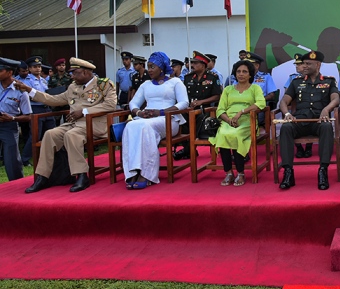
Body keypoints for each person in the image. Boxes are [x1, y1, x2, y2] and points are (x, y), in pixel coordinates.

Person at [20, 58, 117, 193]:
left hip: (94, 124)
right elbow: (54, 100)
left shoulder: (103, 84)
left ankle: (81, 175)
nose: (72, 76)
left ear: (85, 72)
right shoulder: (73, 87)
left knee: (71, 135)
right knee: (50, 134)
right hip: (74, 124)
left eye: (75, 73)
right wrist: (30, 90)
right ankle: (43, 177)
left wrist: (84, 111)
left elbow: (110, 105)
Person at [122, 52, 189, 189]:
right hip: (146, 118)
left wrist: (161, 112)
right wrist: (139, 112)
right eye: (148, 67)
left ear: (162, 67)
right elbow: (133, 103)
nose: (150, 70)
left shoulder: (175, 82)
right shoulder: (145, 84)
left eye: (152, 67)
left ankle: (147, 174)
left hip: (168, 119)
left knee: (145, 127)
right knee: (130, 126)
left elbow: (184, 103)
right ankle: (134, 171)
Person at [278, 51, 340, 191]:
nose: (304, 66)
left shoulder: (329, 81)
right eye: (303, 63)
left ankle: (323, 171)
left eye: (308, 63)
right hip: (300, 121)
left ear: (318, 65)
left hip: (318, 121)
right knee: (286, 127)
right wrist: (287, 113)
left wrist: (326, 109)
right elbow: (284, 101)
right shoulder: (296, 82)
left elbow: (336, 99)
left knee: (327, 127)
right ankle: (288, 172)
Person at [209, 60, 266, 187]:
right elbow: (220, 109)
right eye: (238, 71)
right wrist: (228, 120)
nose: (241, 74)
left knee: (236, 135)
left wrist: (241, 112)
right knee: (223, 134)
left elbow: (261, 104)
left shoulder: (255, 88)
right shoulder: (228, 89)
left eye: (244, 72)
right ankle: (228, 172)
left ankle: (240, 172)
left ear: (250, 74)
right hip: (228, 121)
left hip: (247, 121)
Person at [174, 51, 222, 160]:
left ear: (203, 65)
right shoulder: (188, 77)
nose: (193, 65)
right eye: (192, 63)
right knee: (179, 118)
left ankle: (188, 149)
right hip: (189, 108)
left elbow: (217, 96)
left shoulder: (212, 77)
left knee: (199, 118)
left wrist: (202, 102)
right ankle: (188, 148)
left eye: (196, 63)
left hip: (206, 109)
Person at [20, 55, 55, 166]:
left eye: (39, 66)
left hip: (47, 108)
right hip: (35, 108)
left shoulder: (44, 80)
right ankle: (25, 159)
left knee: (52, 132)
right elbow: (27, 95)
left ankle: (51, 156)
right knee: (35, 135)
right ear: (29, 69)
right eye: (35, 67)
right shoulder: (27, 81)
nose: (38, 69)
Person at [0, 59, 32, 181]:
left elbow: (28, 116)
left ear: (9, 72)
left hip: (8, 126)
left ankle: (16, 184)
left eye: (0, 71)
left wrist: (12, 118)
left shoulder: (20, 91)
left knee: (11, 158)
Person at [284, 53, 313, 159]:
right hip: (295, 107)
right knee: (290, 120)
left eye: (299, 64)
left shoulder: (313, 77)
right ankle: (299, 148)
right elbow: (287, 93)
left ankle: (309, 147)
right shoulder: (293, 78)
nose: (297, 66)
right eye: (296, 64)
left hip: (309, 107)